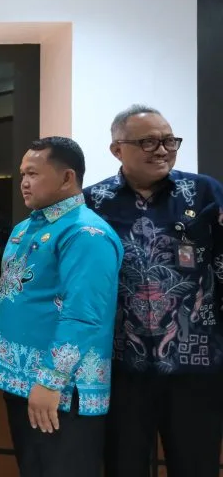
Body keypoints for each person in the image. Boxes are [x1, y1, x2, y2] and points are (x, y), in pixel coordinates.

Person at [84, 105, 223, 477]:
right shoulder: (92, 202)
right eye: (148, 142)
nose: (162, 150)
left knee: (197, 466)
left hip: (197, 364)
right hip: (121, 367)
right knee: (123, 466)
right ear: (117, 149)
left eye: (169, 141)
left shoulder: (204, 192)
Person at [0, 137, 122, 477]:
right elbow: (9, 300)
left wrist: (51, 381)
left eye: (33, 174)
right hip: (20, 383)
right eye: (22, 174)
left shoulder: (86, 233)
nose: (24, 183)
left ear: (67, 177)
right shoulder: (26, 228)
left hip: (60, 390)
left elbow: (84, 316)